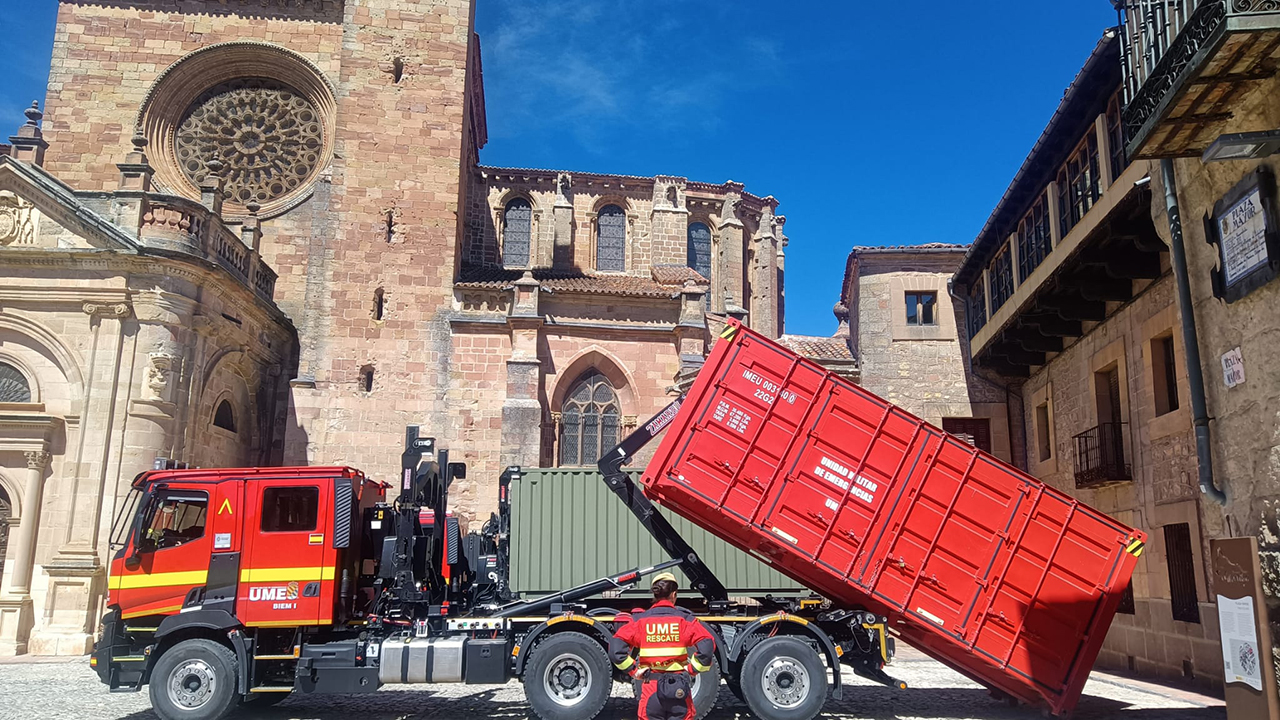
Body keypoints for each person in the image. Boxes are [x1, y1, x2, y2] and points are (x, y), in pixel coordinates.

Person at [608, 572, 715, 720]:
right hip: (679, 690)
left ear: (655, 595)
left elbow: (615, 650)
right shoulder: (685, 621)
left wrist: (634, 671)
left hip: (651, 688)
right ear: (674, 594)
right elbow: (707, 645)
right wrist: (692, 669)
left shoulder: (640, 621)